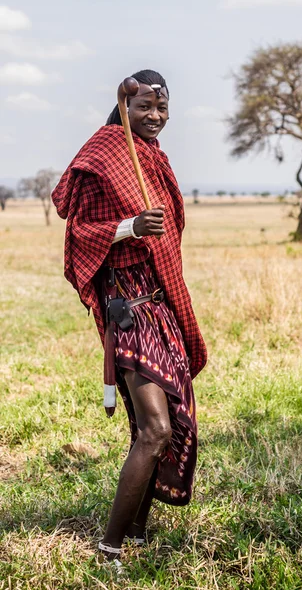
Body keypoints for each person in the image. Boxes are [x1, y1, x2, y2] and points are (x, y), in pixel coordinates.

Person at [52, 69, 207, 567]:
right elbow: (76, 228)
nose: (155, 117)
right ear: (124, 106)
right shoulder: (105, 151)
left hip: (158, 306)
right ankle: (108, 549)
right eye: (144, 107)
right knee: (155, 430)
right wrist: (129, 226)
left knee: (165, 424)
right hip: (129, 310)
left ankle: (138, 535)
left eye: (162, 108)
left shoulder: (153, 157)